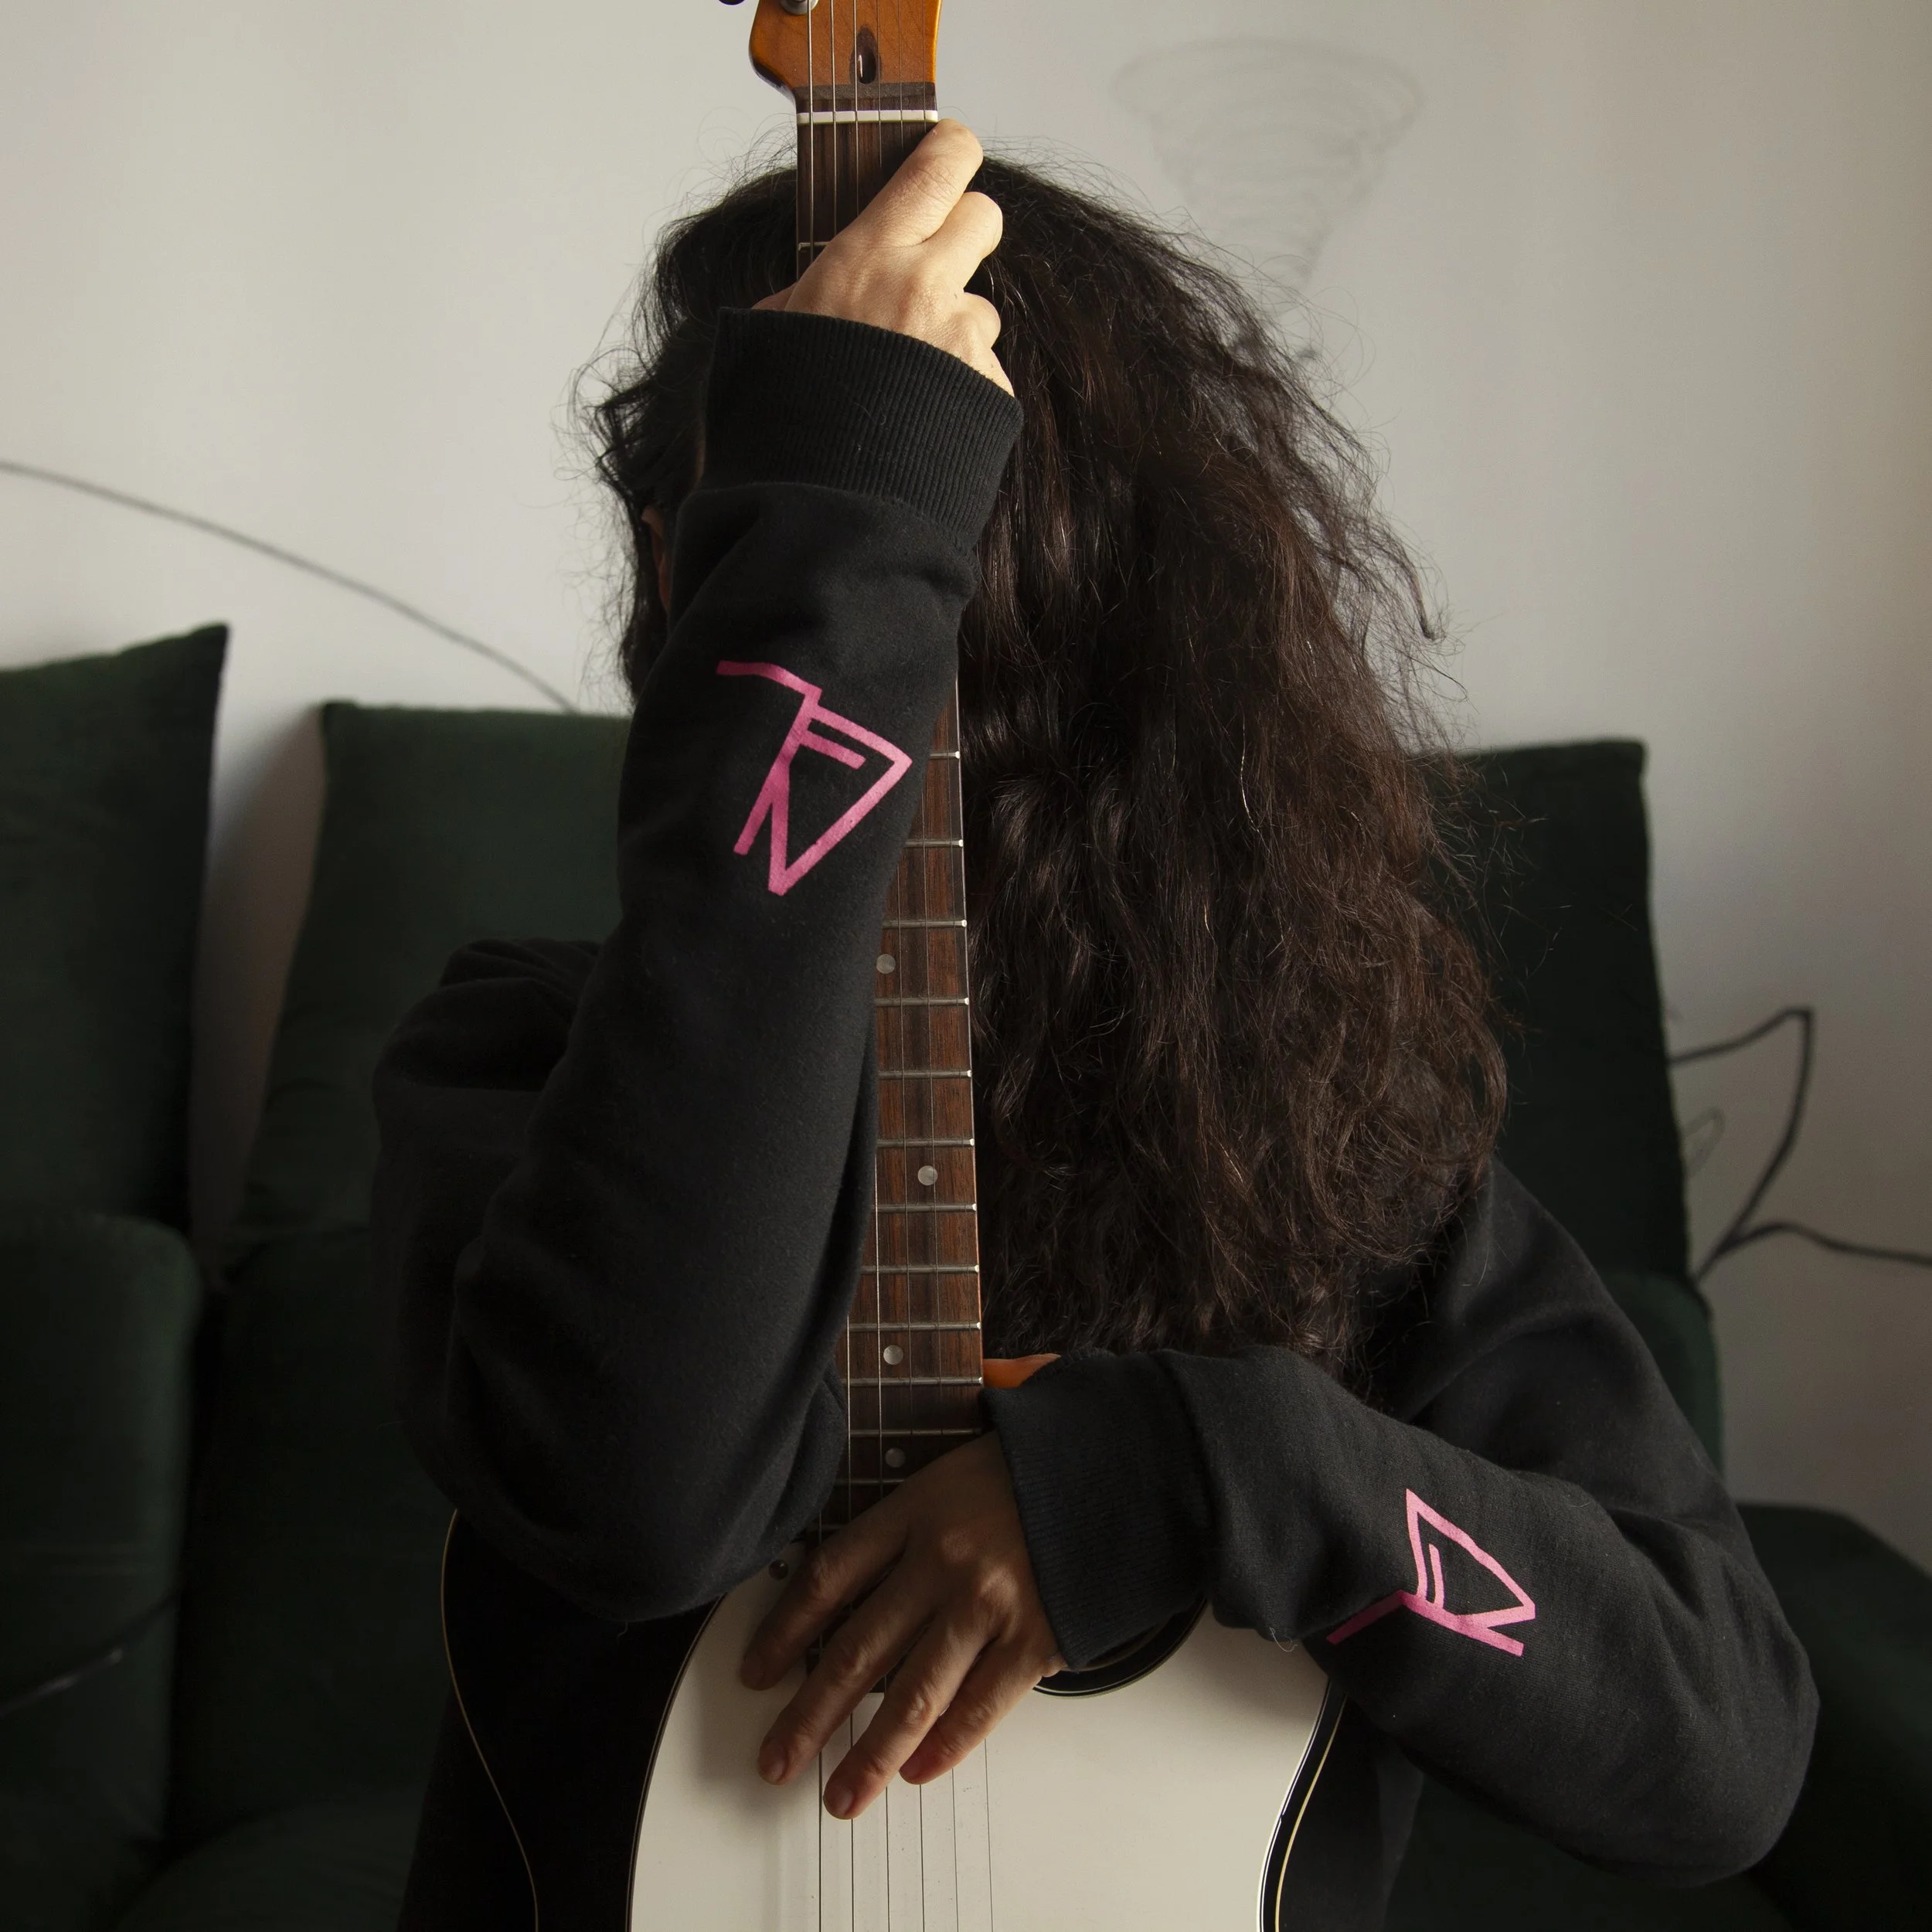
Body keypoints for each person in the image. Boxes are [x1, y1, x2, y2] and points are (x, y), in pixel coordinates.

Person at [373, 124, 1815, 1927]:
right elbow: (643, 1491)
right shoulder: (514, 1061)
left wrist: (1207, 1465)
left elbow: (1719, 1750)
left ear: (671, 567)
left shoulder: (1312, 1124)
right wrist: (847, 548)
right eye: (780, 530)